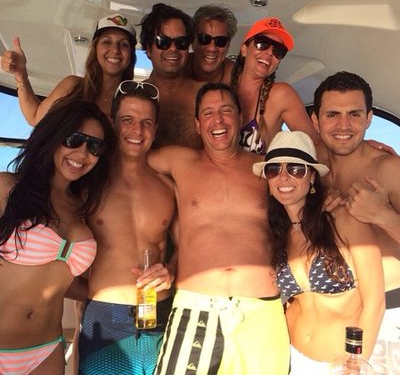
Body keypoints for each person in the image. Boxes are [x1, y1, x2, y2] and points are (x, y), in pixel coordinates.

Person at [148, 83, 290, 375]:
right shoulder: (178, 161)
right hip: (197, 306)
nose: (218, 120)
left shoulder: (266, 168)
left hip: (262, 312)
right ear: (198, 124)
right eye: (208, 113)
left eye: (226, 111)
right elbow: (128, 156)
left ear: (239, 117)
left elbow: (311, 183)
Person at [253, 130, 385, 374]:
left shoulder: (344, 219)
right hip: (287, 356)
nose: (284, 177)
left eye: (296, 169)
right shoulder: (275, 232)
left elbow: (375, 302)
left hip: (341, 364)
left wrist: (356, 363)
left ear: (312, 176)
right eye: (273, 170)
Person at [0, 99, 115, 375]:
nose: (82, 153)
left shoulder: (84, 206)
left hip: (46, 350)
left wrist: (115, 290)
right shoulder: (7, 187)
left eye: (94, 146)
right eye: (74, 139)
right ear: (54, 136)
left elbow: (61, 279)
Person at [78, 80, 177, 375]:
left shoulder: (169, 186)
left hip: (161, 313)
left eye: (146, 123)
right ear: (113, 123)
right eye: (128, 120)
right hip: (106, 316)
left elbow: (187, 245)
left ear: (155, 129)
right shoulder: (89, 184)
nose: (137, 131)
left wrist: (172, 270)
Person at [311, 71, 400, 374]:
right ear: (315, 121)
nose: (343, 126)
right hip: (327, 314)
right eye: (332, 115)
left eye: (354, 114)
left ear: (369, 118)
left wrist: (382, 216)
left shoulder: (388, 169)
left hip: (388, 312)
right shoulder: (309, 165)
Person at [0, 14, 136, 124]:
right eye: (107, 42)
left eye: (124, 44)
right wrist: (21, 74)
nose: (115, 50)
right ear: (95, 49)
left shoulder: (135, 101)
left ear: (131, 55)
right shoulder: (72, 86)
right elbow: (34, 117)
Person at [230, 16, 319, 154]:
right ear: (244, 49)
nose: (270, 52)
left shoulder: (281, 95)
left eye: (278, 51)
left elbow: (315, 146)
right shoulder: (218, 88)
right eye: (262, 44)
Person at [139, 3, 203, 149]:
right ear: (148, 49)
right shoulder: (132, 97)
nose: (173, 48)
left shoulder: (206, 96)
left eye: (181, 43)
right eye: (163, 42)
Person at [186, 4, 237, 84]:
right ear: (193, 39)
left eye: (220, 41)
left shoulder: (238, 78)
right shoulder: (177, 70)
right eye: (204, 39)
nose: (212, 48)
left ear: (228, 44)